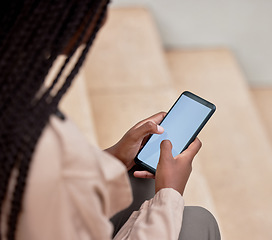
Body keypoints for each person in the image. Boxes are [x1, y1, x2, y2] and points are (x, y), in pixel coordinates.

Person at [0, 0, 221, 239]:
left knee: (138, 181)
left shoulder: (13, 98)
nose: (103, 19)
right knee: (199, 220)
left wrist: (115, 157)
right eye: (99, 5)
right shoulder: (40, 143)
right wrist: (169, 195)